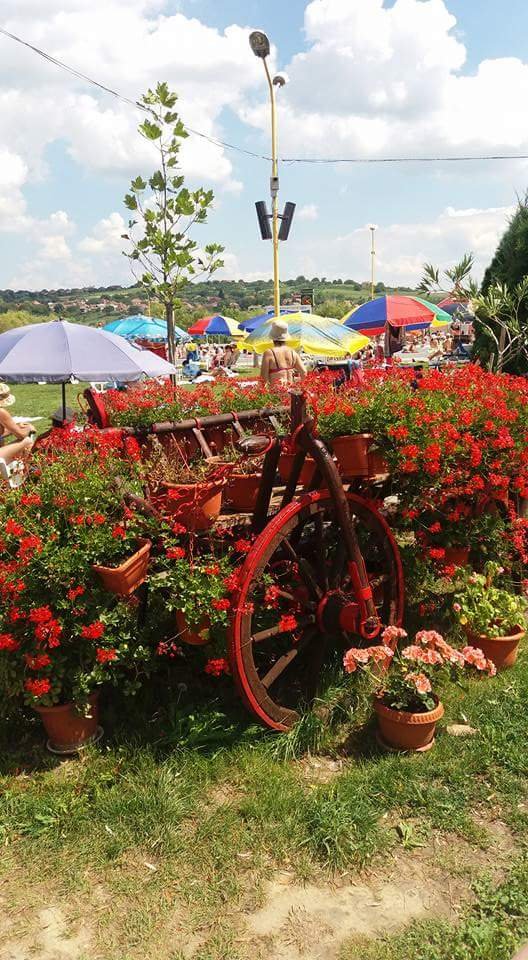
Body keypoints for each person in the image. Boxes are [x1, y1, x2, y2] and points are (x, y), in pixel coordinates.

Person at [260, 320, 306, 386]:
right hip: (291, 390)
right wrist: (301, 386)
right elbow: (304, 372)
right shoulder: (293, 352)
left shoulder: (269, 353)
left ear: (273, 337)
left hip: (277, 390)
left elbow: (263, 378)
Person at [0, 384, 35, 466]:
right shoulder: (1, 412)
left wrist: (16, 426)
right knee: (27, 442)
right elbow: (21, 435)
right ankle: (27, 469)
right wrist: (29, 428)